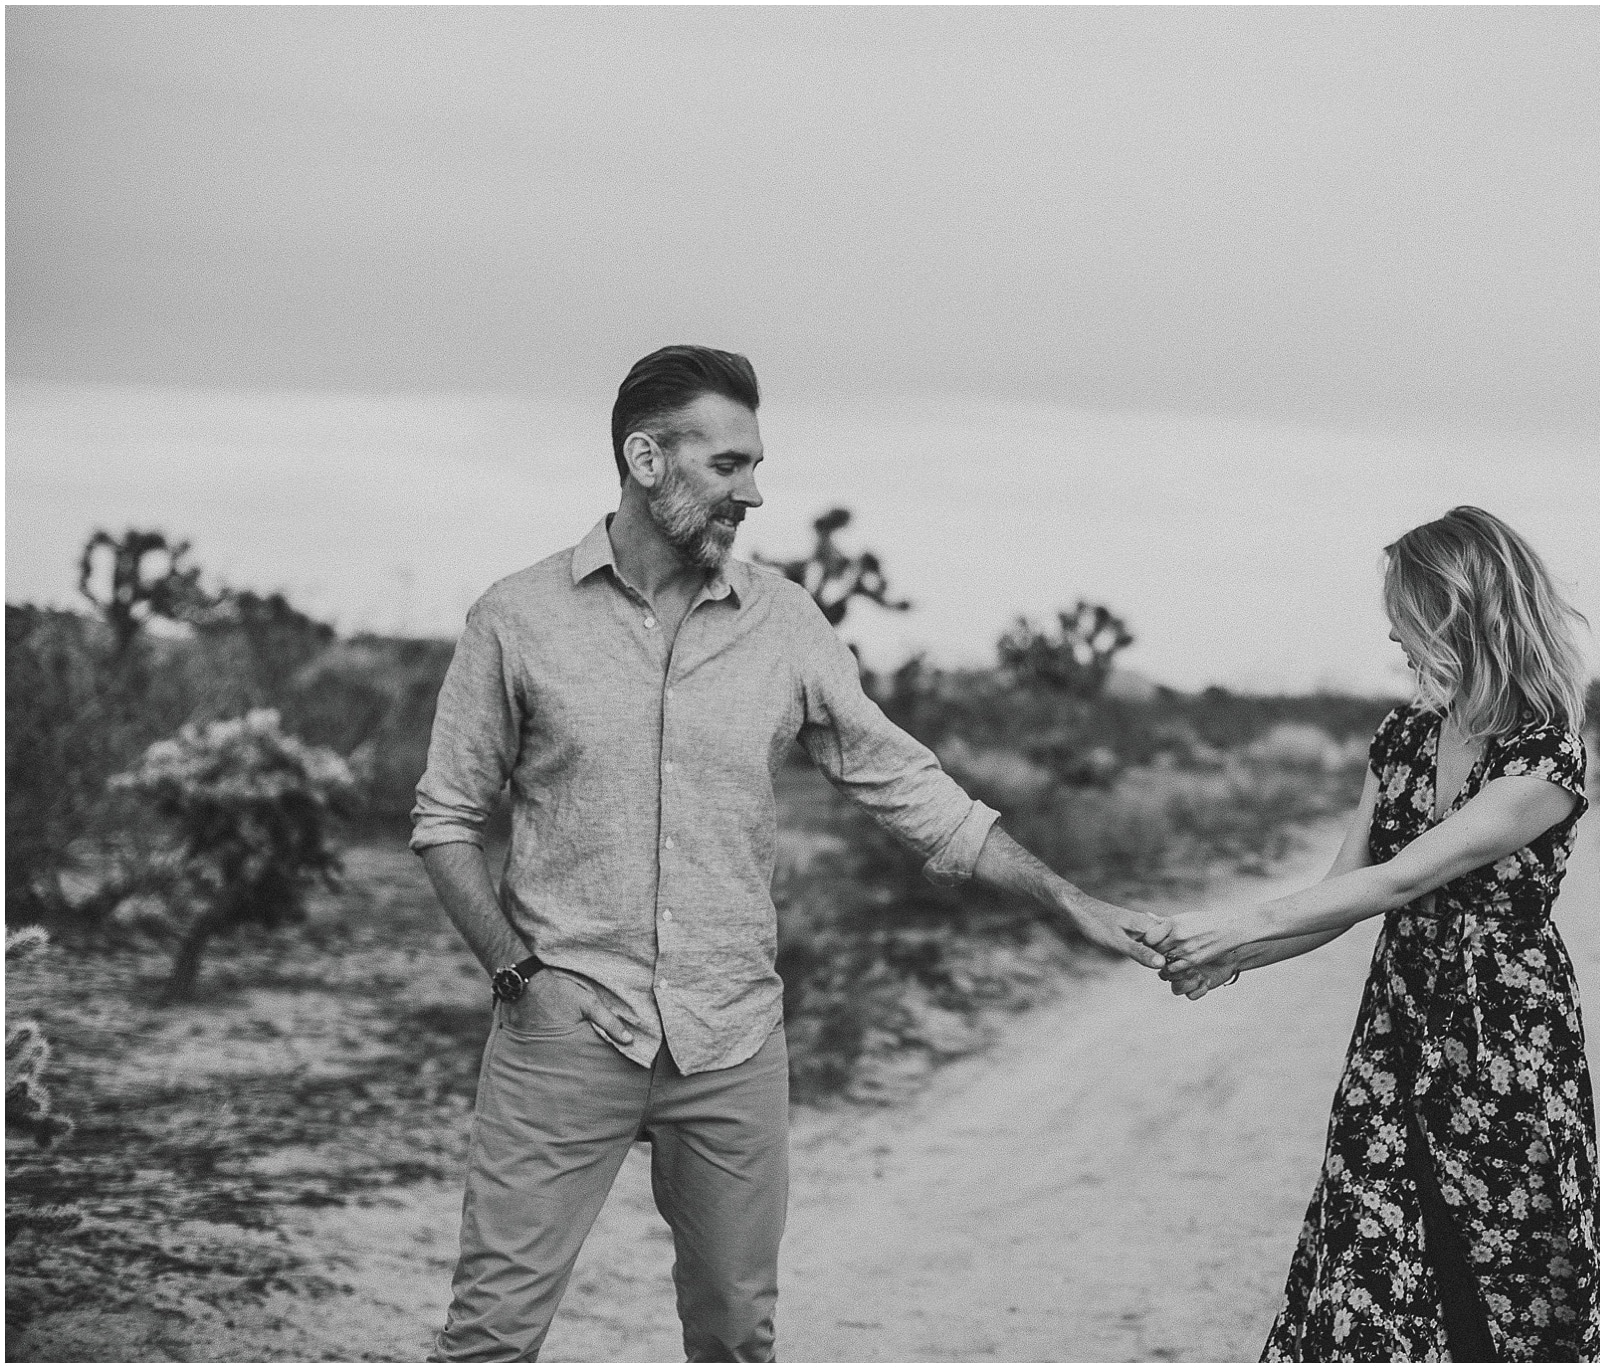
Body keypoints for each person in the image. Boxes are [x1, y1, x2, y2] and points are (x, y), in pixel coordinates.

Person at [410, 344, 1168, 1362]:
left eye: (755, 466)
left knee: (735, 1337)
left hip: (729, 1042)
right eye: (728, 466)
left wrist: (1068, 900)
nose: (753, 493)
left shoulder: (785, 623)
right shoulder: (517, 618)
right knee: (488, 1339)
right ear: (645, 460)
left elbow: (911, 790)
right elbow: (445, 819)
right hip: (566, 1031)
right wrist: (518, 974)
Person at [1149, 506, 1600, 1363]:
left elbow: (1405, 877)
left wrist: (1230, 922)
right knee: (1366, 1259)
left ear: (1460, 616)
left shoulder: (1542, 757)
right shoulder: (1406, 738)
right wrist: (1228, 957)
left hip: (1504, 1047)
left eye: (1408, 624)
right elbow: (1344, 896)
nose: (1396, 642)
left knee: (1521, 1267)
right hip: (1396, 1035)